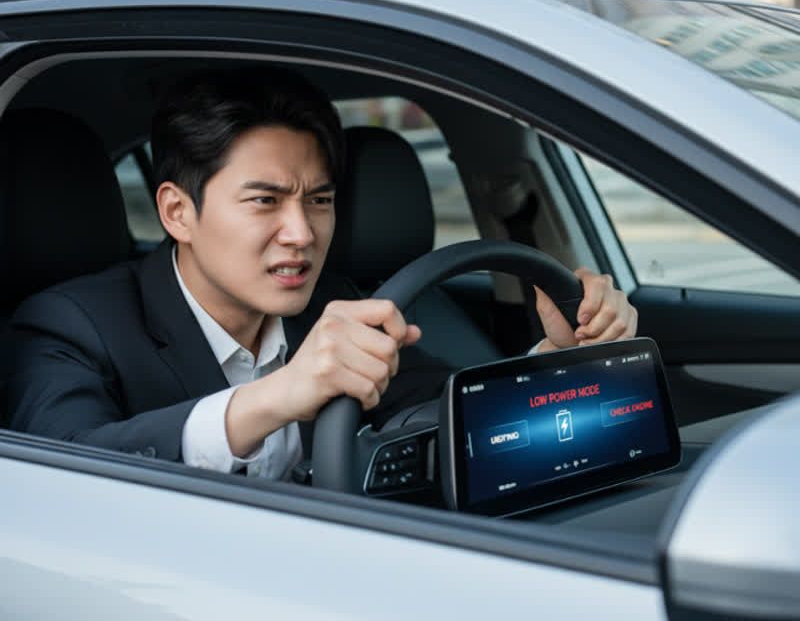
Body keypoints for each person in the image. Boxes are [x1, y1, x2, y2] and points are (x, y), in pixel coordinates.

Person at [6, 70, 637, 479]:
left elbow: (439, 417)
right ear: (178, 212)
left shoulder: (331, 303)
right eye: (265, 200)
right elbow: (59, 474)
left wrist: (557, 358)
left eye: (319, 199)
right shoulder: (69, 325)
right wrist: (277, 396)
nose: (302, 233)